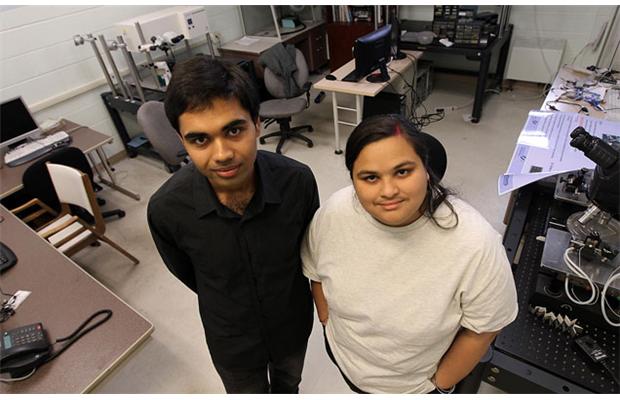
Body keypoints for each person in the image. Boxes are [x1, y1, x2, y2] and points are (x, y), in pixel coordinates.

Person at [301, 114, 518, 394]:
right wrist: (326, 319)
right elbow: (315, 270)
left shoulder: (475, 243)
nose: (388, 191)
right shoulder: (335, 212)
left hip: (411, 386)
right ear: (353, 180)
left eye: (403, 171)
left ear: (426, 169)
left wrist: (440, 382)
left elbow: (485, 327)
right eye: (370, 177)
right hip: (345, 358)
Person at [147, 57, 319, 393]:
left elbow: (310, 252)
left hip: (292, 328)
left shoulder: (297, 182)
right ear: (182, 141)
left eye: (234, 130)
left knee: (289, 386)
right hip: (232, 343)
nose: (222, 153)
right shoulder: (167, 209)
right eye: (200, 140)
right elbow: (187, 272)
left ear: (257, 123)